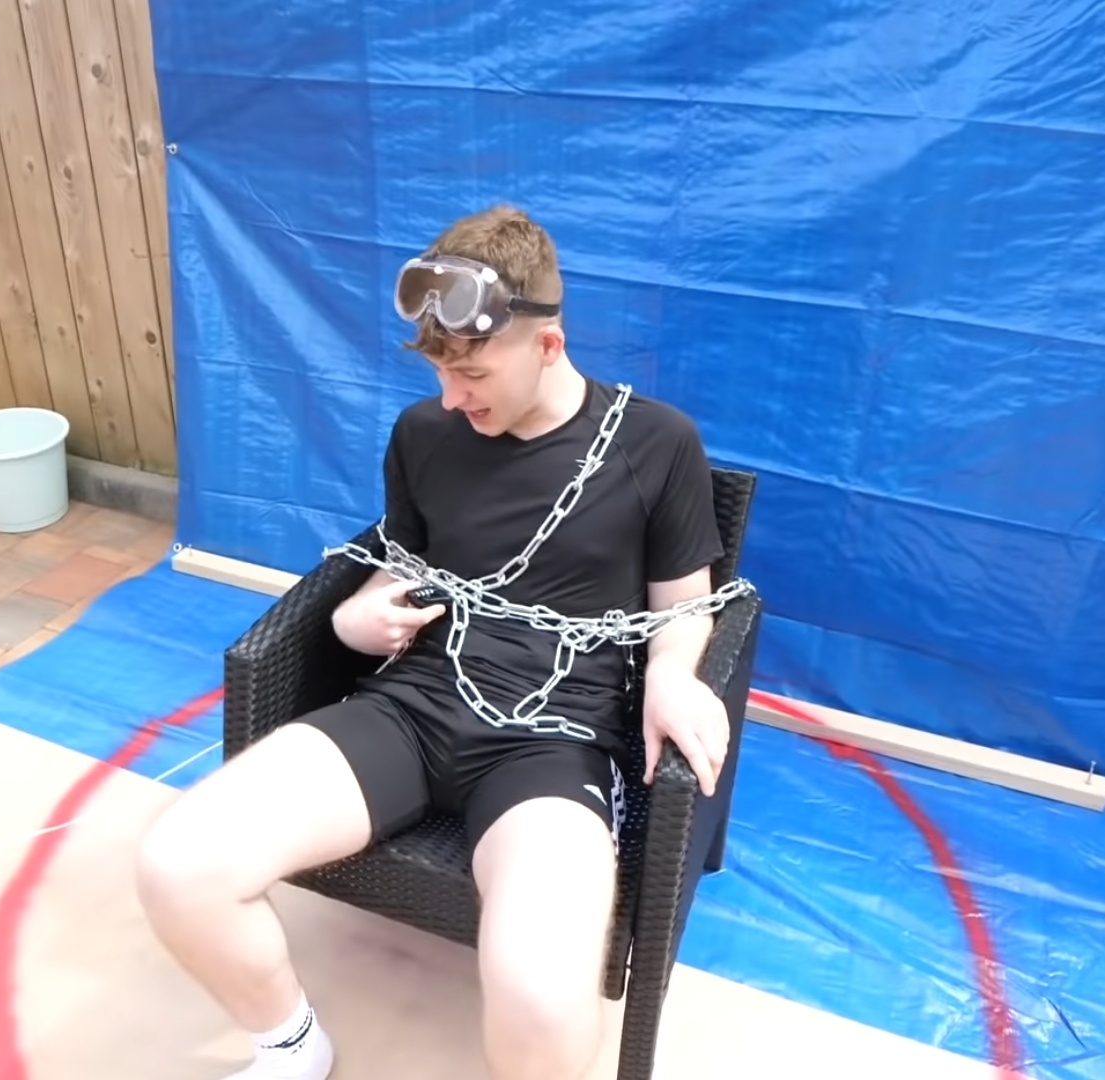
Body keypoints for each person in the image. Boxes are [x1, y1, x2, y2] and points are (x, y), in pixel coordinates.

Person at [134, 205, 738, 1080]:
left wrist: (675, 675)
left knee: (540, 993)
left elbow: (685, 605)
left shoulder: (655, 443)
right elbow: (399, 569)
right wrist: (355, 620)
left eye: (473, 373)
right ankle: (292, 1045)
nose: (453, 398)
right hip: (411, 708)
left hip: (555, 743)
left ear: (549, 344)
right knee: (179, 864)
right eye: (440, 373)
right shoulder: (425, 435)